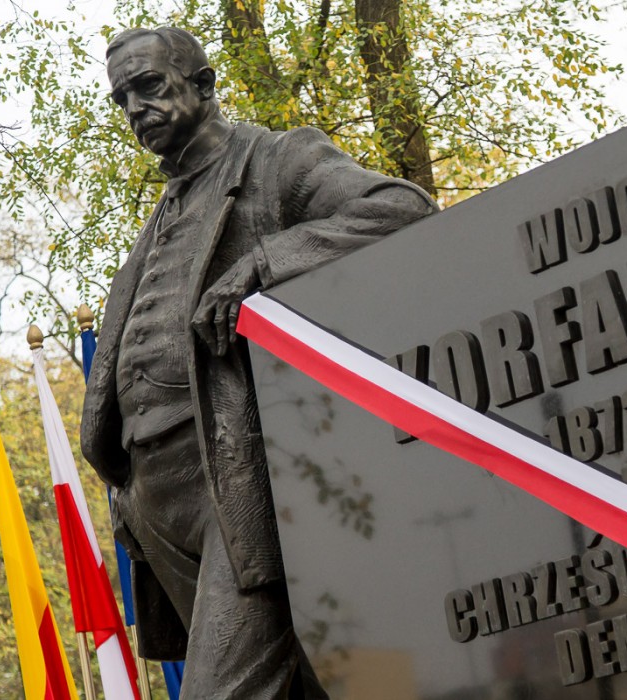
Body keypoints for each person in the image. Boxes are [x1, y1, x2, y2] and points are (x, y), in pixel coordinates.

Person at [80, 26, 437, 698]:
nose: (134, 108)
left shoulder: (275, 161)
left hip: (237, 476)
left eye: (148, 86)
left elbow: (400, 208)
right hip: (153, 499)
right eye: (122, 98)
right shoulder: (160, 216)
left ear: (204, 84)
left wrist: (264, 265)